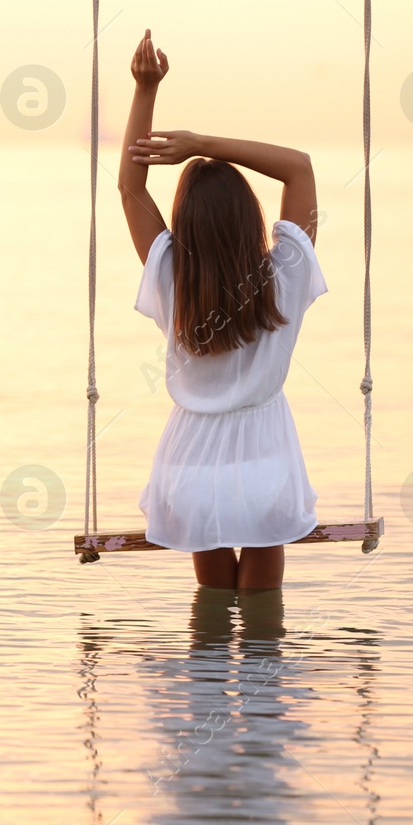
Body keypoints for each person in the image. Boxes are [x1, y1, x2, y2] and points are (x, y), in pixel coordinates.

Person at [118, 29, 327, 589]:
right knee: (263, 632)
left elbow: (130, 189)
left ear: (184, 227)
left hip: (185, 471)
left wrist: (145, 90)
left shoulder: (171, 278)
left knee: (207, 631)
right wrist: (202, 143)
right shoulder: (285, 275)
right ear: (250, 218)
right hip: (266, 464)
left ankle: (205, 678)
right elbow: (299, 168)